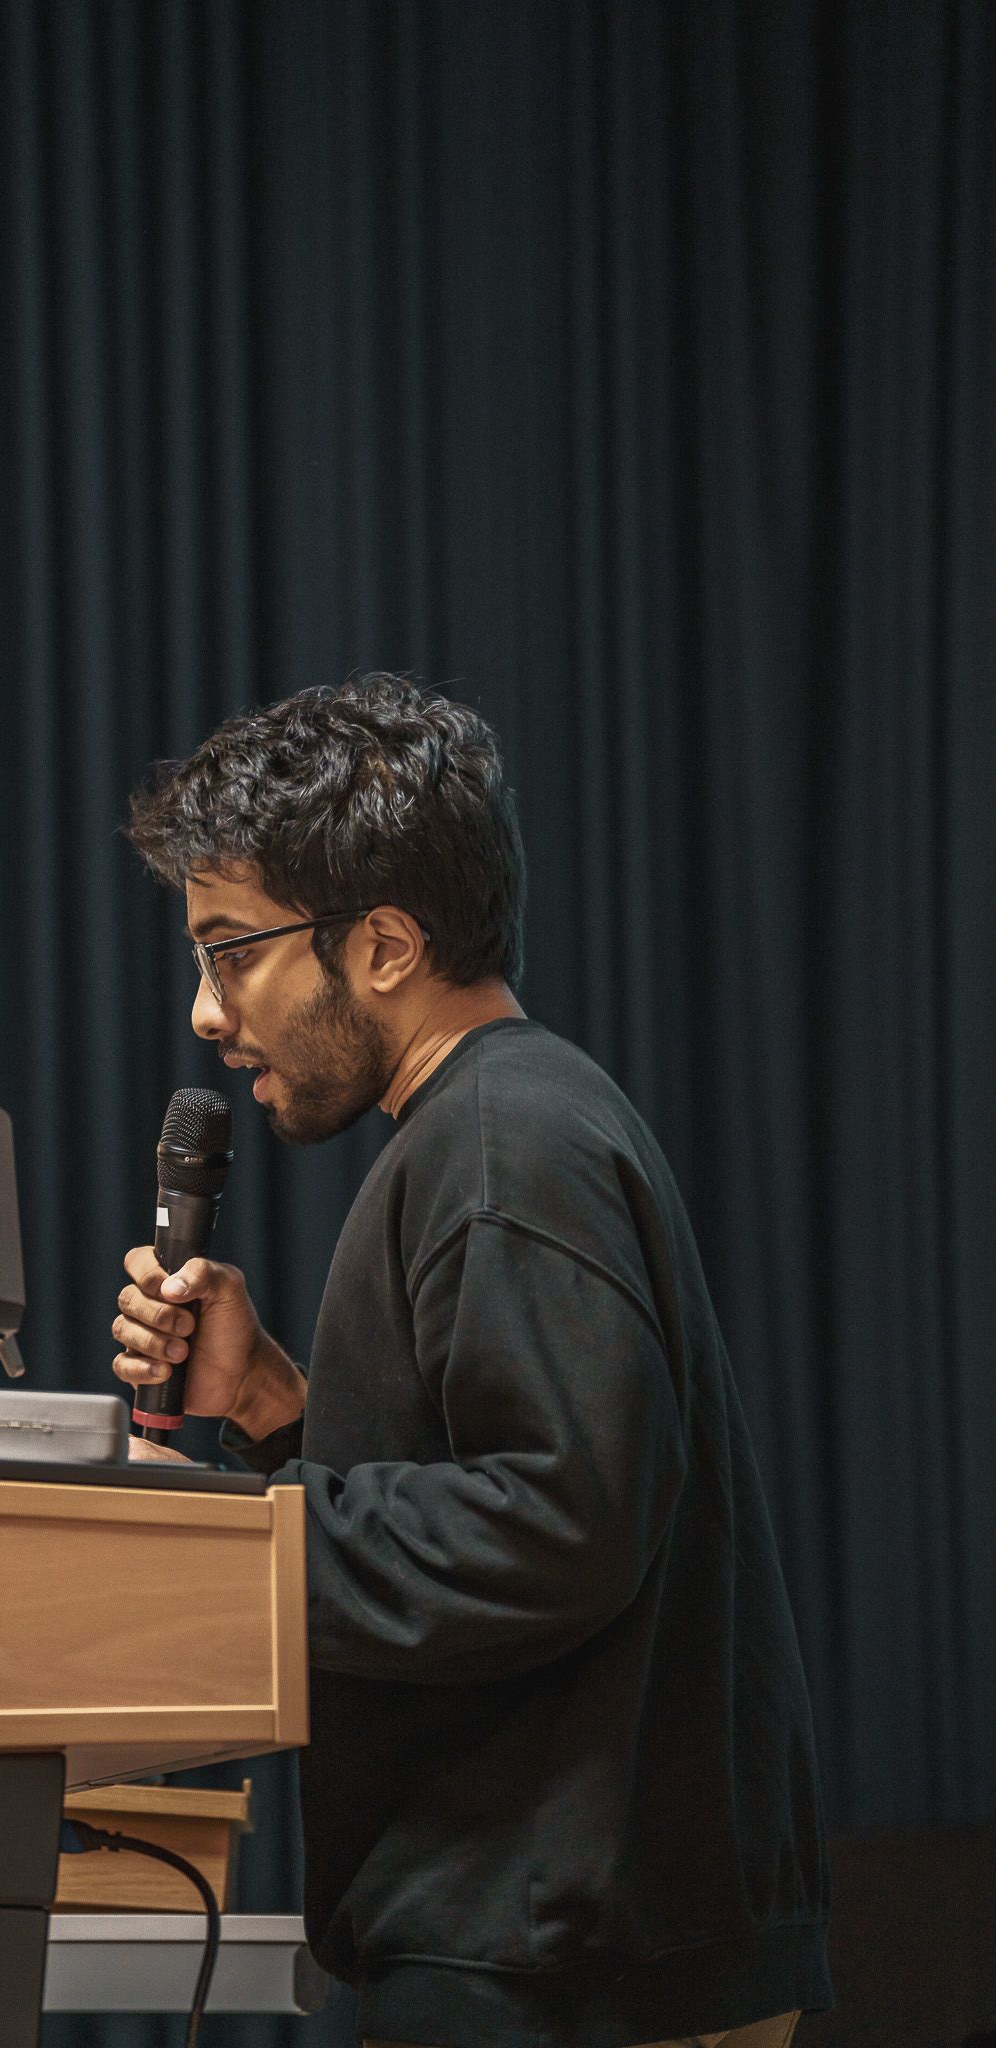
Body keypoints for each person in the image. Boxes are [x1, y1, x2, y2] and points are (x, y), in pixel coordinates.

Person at [112, 676, 831, 2048]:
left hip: (556, 1958)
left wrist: (210, 1537)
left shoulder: (504, 1142)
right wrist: (270, 1412)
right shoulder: (493, 1127)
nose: (208, 1012)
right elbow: (512, 1497)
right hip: (534, 1933)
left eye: (229, 950)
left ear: (381, 944)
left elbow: (561, 1525)